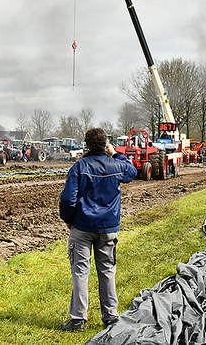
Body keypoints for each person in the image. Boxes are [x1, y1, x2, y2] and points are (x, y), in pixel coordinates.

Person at [59, 128, 137, 332]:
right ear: (106, 144)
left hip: (82, 228)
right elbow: (132, 171)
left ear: (86, 145)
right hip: (108, 228)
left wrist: (69, 219)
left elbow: (68, 198)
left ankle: (78, 320)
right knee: (108, 271)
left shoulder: (79, 167)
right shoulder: (117, 165)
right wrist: (116, 153)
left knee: (80, 273)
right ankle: (111, 317)